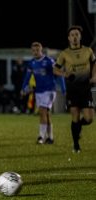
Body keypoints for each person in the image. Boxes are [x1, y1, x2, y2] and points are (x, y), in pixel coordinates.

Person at [53, 25, 96, 153]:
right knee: (75, 116)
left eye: (77, 34)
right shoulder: (64, 53)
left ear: (80, 36)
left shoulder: (88, 50)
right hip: (72, 89)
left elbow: (94, 64)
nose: (75, 37)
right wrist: (65, 74)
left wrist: (94, 76)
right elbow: (55, 69)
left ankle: (78, 128)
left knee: (89, 119)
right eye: (72, 35)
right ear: (69, 38)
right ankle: (76, 145)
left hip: (86, 87)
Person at [21, 42, 66, 144]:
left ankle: (41, 137)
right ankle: (50, 137)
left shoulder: (49, 61)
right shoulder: (31, 63)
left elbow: (59, 73)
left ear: (41, 50)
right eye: (33, 51)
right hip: (39, 91)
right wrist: (23, 88)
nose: (35, 52)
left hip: (50, 90)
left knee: (42, 111)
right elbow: (27, 77)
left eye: (37, 50)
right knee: (46, 114)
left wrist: (63, 88)